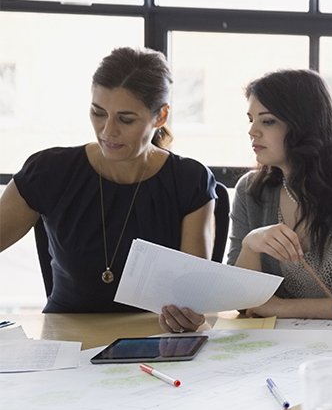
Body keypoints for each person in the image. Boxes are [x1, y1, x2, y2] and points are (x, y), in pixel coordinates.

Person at [159, 69, 332, 332]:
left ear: (303, 126)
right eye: (251, 120)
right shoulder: (249, 192)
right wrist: (251, 244)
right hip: (280, 347)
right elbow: (239, 302)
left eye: (267, 121)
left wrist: (281, 308)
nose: (252, 131)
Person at [0, 46, 217, 313]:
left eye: (126, 120)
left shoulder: (190, 181)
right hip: (65, 333)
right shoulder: (49, 171)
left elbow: (192, 297)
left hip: (155, 334)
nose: (107, 131)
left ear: (160, 116)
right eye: (98, 113)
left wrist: (190, 315)